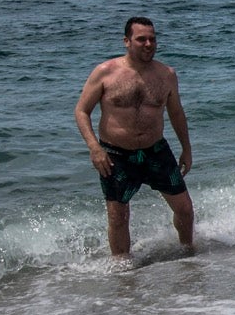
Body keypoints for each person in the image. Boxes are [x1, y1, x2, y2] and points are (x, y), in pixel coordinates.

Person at [74, 16, 195, 256]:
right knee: (118, 216)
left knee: (185, 209)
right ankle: (123, 271)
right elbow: (81, 111)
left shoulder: (166, 74)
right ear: (127, 41)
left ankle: (187, 253)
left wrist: (186, 149)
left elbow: (177, 113)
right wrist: (94, 148)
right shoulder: (105, 72)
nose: (148, 44)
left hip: (156, 152)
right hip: (116, 155)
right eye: (141, 39)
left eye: (152, 39)